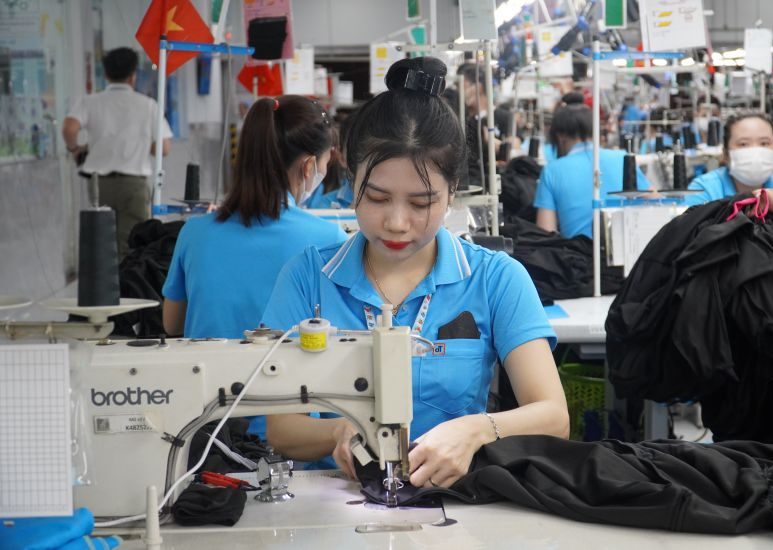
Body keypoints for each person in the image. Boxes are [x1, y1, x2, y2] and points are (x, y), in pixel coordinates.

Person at [261, 57, 569, 488]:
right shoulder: (307, 277)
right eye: (378, 198)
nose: (397, 222)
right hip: (333, 507)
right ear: (351, 180)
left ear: (452, 194)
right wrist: (336, 431)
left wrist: (477, 429)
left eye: (421, 203)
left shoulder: (497, 279)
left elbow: (553, 415)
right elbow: (281, 427)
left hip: (458, 499)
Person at [162, 96, 347, 341]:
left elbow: (172, 324)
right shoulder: (329, 240)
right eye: (325, 163)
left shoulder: (193, 233)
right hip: (286, 375)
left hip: (205, 374)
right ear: (309, 166)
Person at [62, 47, 172, 260]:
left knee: (101, 242)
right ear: (133, 76)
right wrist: (139, 143)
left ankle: (103, 291)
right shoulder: (148, 105)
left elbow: (69, 128)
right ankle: (127, 291)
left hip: (99, 185)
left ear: (105, 75)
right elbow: (164, 148)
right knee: (133, 245)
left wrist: (75, 149)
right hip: (134, 186)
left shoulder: (90, 102)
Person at [534, 103, 651, 238]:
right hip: (628, 251)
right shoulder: (622, 158)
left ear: (560, 136)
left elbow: (546, 234)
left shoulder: (551, 171)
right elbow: (658, 203)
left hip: (578, 255)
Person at [683, 112, 773, 225]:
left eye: (764, 143)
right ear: (725, 154)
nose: (756, 151)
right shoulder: (704, 190)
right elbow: (688, 242)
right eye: (743, 144)